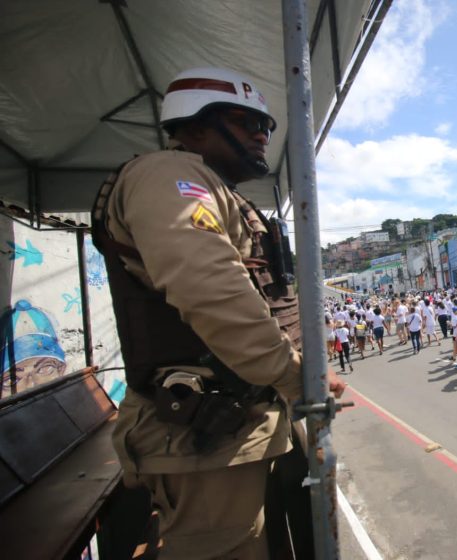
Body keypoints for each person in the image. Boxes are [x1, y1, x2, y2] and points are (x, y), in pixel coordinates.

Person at [91, 68, 345, 559]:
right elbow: (211, 290)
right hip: (202, 434)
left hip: (241, 424)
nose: (261, 135)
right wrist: (296, 379)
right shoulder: (167, 175)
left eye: (266, 127)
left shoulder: (218, 192)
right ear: (195, 126)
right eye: (245, 121)